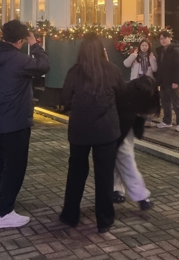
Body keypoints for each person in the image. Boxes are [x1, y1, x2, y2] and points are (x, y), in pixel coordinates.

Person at [0, 20, 50, 229]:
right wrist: (35, 44)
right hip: (15, 122)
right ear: (20, 41)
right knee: (14, 167)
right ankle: (4, 213)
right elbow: (44, 65)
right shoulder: (20, 60)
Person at [60, 33, 125, 233]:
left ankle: (70, 215)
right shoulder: (112, 70)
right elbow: (122, 97)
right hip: (106, 131)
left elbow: (65, 99)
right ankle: (104, 220)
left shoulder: (74, 71)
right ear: (101, 50)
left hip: (79, 130)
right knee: (104, 176)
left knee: (76, 173)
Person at [112, 75, 159, 210]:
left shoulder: (131, 94)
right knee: (126, 159)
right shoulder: (134, 97)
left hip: (118, 128)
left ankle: (117, 189)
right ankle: (140, 195)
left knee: (121, 158)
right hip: (118, 128)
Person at [156, 31, 179, 131]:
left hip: (172, 81)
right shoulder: (161, 51)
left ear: (170, 38)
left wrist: (176, 81)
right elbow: (160, 67)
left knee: (176, 102)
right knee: (165, 102)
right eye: (161, 39)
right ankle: (167, 121)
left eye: (165, 38)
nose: (163, 40)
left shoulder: (176, 50)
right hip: (163, 81)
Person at [123, 39, 157, 127]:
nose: (144, 47)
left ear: (148, 47)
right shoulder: (135, 56)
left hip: (147, 81)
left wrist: (152, 59)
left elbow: (155, 69)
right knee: (137, 100)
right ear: (140, 46)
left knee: (147, 100)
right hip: (137, 80)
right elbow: (126, 64)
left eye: (146, 45)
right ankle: (137, 120)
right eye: (143, 45)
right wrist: (133, 56)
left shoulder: (151, 56)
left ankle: (148, 120)